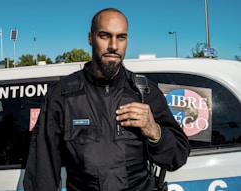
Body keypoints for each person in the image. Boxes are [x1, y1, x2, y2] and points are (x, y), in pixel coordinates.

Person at [23, 8, 190, 191]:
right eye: (105, 36)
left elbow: (178, 156)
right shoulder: (61, 95)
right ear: (90, 38)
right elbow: (42, 172)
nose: (113, 46)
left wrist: (155, 132)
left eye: (121, 37)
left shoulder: (145, 93)